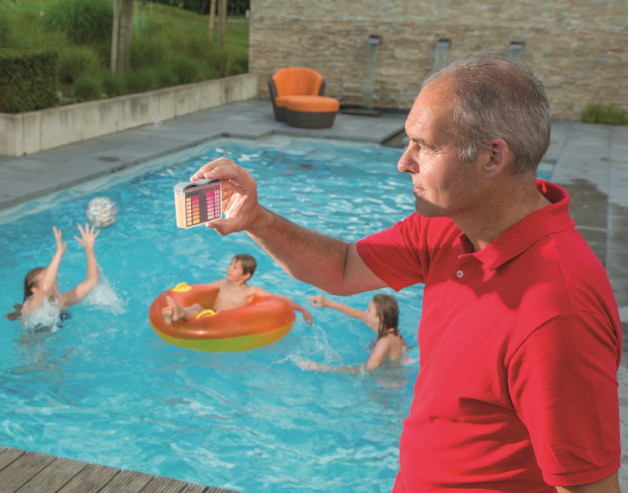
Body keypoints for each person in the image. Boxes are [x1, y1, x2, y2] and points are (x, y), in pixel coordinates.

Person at [186, 54, 622, 492]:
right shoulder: (449, 226)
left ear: (492, 158)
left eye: (423, 146)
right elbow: (342, 267)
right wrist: (257, 219)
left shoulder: (559, 313)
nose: (403, 162)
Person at [161, 253, 313, 326]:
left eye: (234, 268)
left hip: (225, 322)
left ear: (246, 275)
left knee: (205, 314)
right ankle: (175, 313)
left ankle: (180, 313)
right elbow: (202, 288)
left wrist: (303, 310)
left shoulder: (251, 291)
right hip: (212, 315)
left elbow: (280, 298)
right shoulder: (223, 283)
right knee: (196, 306)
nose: (229, 269)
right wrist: (183, 291)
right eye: (230, 265)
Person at [6, 224, 100, 321]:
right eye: (50, 279)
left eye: (53, 279)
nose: (56, 282)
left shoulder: (59, 301)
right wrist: (58, 254)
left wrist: (89, 250)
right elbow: (45, 289)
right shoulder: (29, 306)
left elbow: (92, 282)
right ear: (35, 290)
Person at [306, 293, 407, 373]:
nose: (365, 312)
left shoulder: (384, 342)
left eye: (369, 310)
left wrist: (322, 368)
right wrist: (328, 303)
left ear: (380, 319)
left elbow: (367, 371)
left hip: (386, 388)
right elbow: (360, 315)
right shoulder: (393, 333)